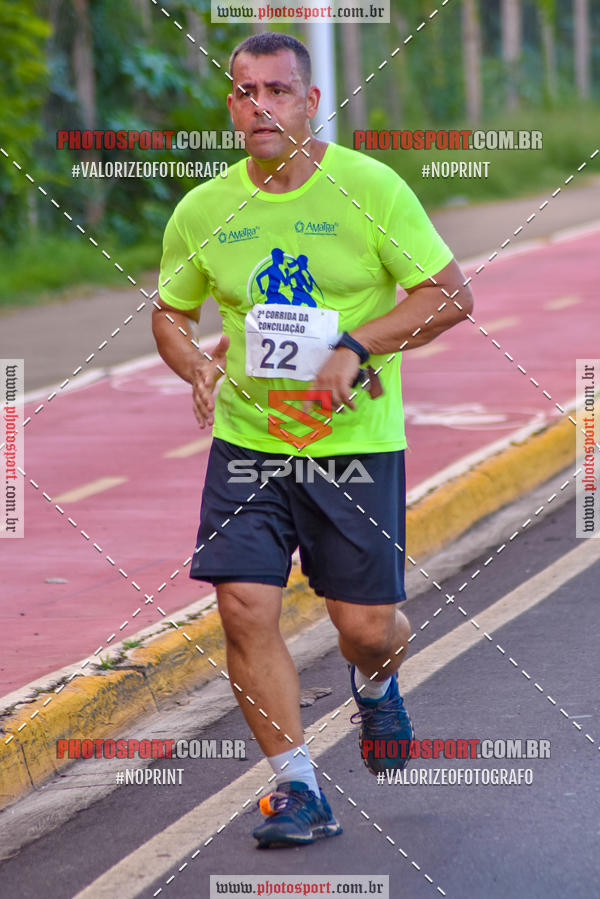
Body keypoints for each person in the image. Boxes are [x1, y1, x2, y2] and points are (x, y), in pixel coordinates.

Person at [152, 32, 473, 849]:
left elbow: (449, 294)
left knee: (366, 626)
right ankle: (297, 788)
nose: (259, 106)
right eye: (244, 91)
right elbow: (170, 307)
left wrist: (358, 345)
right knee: (242, 604)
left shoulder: (369, 189)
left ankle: (376, 682)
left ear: (310, 101)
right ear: (230, 104)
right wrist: (190, 359)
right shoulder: (204, 209)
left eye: (277, 91)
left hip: (354, 445)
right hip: (249, 443)